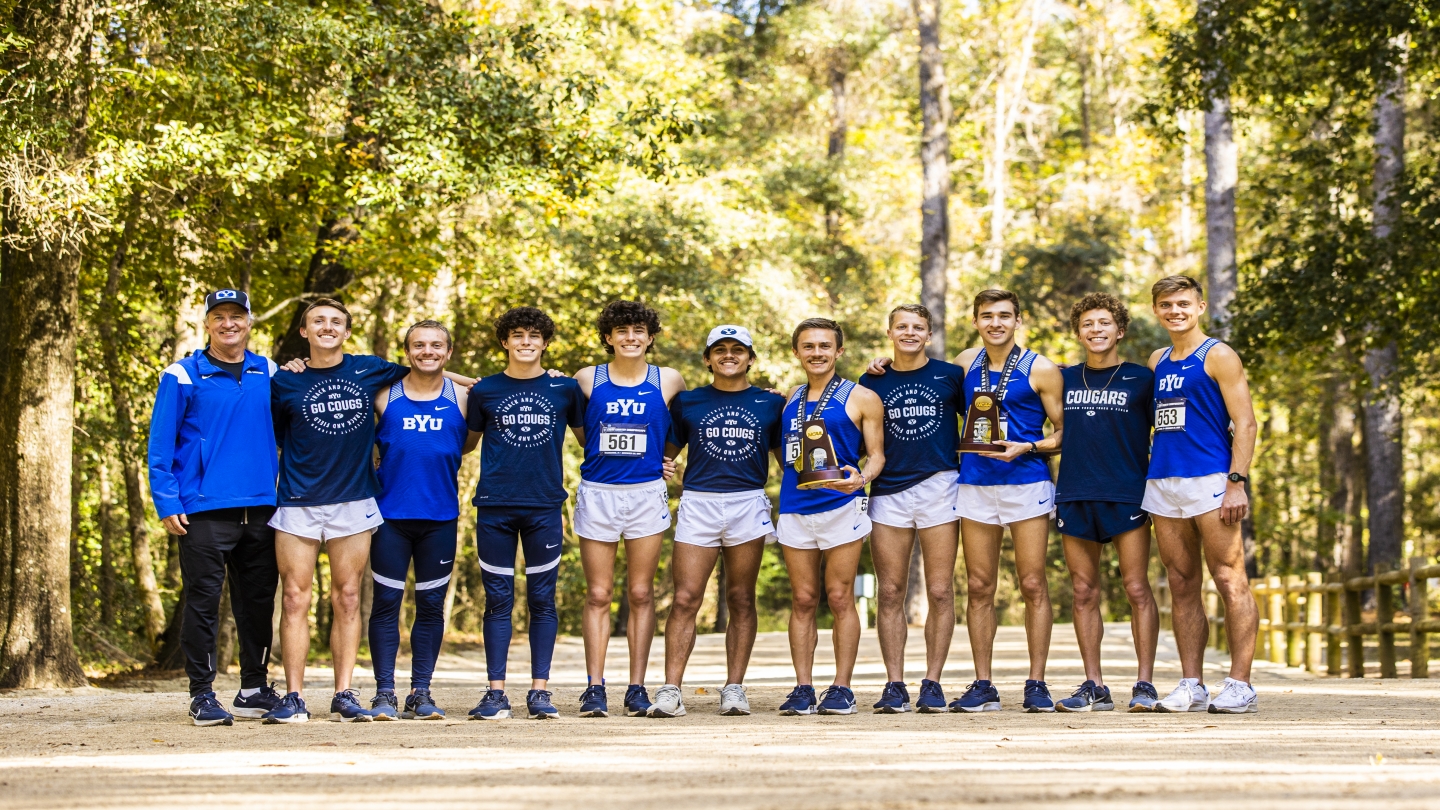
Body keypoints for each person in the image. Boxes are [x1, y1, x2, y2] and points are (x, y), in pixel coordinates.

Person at [262, 298, 412, 723]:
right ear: (304, 332)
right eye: (317, 321)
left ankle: (344, 693)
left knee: (347, 597)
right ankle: (293, 697)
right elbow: (271, 436)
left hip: (354, 499)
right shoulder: (284, 381)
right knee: (294, 598)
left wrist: (481, 382)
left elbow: (427, 375)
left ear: (347, 331)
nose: (327, 327)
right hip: (297, 501)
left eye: (335, 322)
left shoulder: (369, 368)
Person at [147, 289, 282, 727]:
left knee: (258, 603)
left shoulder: (271, 371)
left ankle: (253, 689)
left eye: (236, 316)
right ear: (207, 323)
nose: (229, 324)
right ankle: (202, 694)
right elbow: (160, 446)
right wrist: (167, 501)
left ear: (249, 321)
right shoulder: (182, 375)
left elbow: (296, 429)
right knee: (203, 603)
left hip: (263, 508)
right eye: (219, 317)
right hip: (202, 509)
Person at [648, 325, 786, 718]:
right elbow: (666, 452)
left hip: (747, 503)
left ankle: (734, 688)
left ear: (750, 358)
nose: (729, 355)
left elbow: (785, 458)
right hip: (699, 502)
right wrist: (660, 466)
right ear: (707, 358)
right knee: (687, 597)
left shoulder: (769, 403)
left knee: (741, 597)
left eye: (738, 349)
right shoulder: (688, 402)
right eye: (720, 349)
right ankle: (671, 690)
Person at [1144, 275, 1260, 714]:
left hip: (1211, 479)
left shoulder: (1219, 355)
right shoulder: (1157, 360)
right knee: (1180, 582)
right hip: (1163, 481)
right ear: (1156, 310)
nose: (1175, 311)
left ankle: (1240, 684)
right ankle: (1191, 683)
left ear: (1200, 306)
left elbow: (1245, 422)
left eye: (1183, 304)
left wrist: (1236, 481)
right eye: (1167, 305)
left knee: (1230, 579)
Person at [465, 307, 586, 721]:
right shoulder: (485, 391)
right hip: (494, 507)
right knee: (498, 601)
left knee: (541, 599)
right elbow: (464, 444)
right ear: (505, 341)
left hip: (545, 507)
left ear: (546, 343)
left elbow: (592, 440)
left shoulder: (565, 390)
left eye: (535, 336)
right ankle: (495, 693)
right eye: (518, 335)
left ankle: (540, 693)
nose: (526, 343)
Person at [948, 290, 1064, 713]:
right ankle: (984, 685)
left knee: (1033, 583)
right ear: (976, 321)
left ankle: (1036, 682)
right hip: (975, 485)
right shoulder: (962, 364)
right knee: (979, 586)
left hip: (1026, 483)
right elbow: (920, 384)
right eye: (986, 316)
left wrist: (1028, 446)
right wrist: (880, 367)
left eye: (1003, 316)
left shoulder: (1041, 368)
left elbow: (1064, 432)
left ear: (1018, 320)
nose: (995, 323)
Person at [573, 300, 687, 718]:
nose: (630, 337)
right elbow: (581, 430)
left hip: (645, 493)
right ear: (608, 337)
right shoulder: (587, 378)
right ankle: (594, 687)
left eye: (639, 330)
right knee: (598, 593)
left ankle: (636, 686)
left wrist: (666, 456)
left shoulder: (668, 379)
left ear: (650, 336)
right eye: (621, 331)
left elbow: (684, 424)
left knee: (641, 592)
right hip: (599, 491)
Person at [1050, 293, 1160, 712]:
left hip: (1127, 492)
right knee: (1083, 591)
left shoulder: (1141, 378)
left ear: (1120, 329)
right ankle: (1093, 684)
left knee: (1136, 587)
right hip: (1075, 492)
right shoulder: (1063, 378)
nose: (1095, 330)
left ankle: (1144, 684)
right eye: (1087, 324)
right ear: (1078, 332)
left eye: (1104, 323)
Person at [366, 321, 479, 722]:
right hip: (389, 519)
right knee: (386, 605)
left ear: (448, 353)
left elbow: (468, 438)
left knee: (430, 606)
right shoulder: (383, 395)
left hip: (441, 518)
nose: (426, 351)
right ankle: (384, 694)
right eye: (418, 345)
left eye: (436, 346)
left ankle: (421, 692)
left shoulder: (465, 398)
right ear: (406, 351)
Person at [856, 305, 966, 713]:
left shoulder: (950, 376)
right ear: (889, 332)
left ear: (930, 334)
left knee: (939, 590)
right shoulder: (871, 380)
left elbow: (983, 413)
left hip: (940, 484)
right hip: (888, 490)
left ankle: (933, 682)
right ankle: (894, 684)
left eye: (918, 327)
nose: (910, 332)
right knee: (889, 591)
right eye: (902, 326)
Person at [776, 318, 886, 716]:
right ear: (797, 352)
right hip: (795, 507)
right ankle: (803, 688)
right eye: (808, 346)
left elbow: (876, 455)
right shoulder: (790, 398)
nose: (817, 353)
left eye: (825, 346)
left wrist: (862, 479)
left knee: (840, 597)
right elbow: (785, 451)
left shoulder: (861, 397)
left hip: (841, 506)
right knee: (803, 599)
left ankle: (841, 687)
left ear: (839, 351)